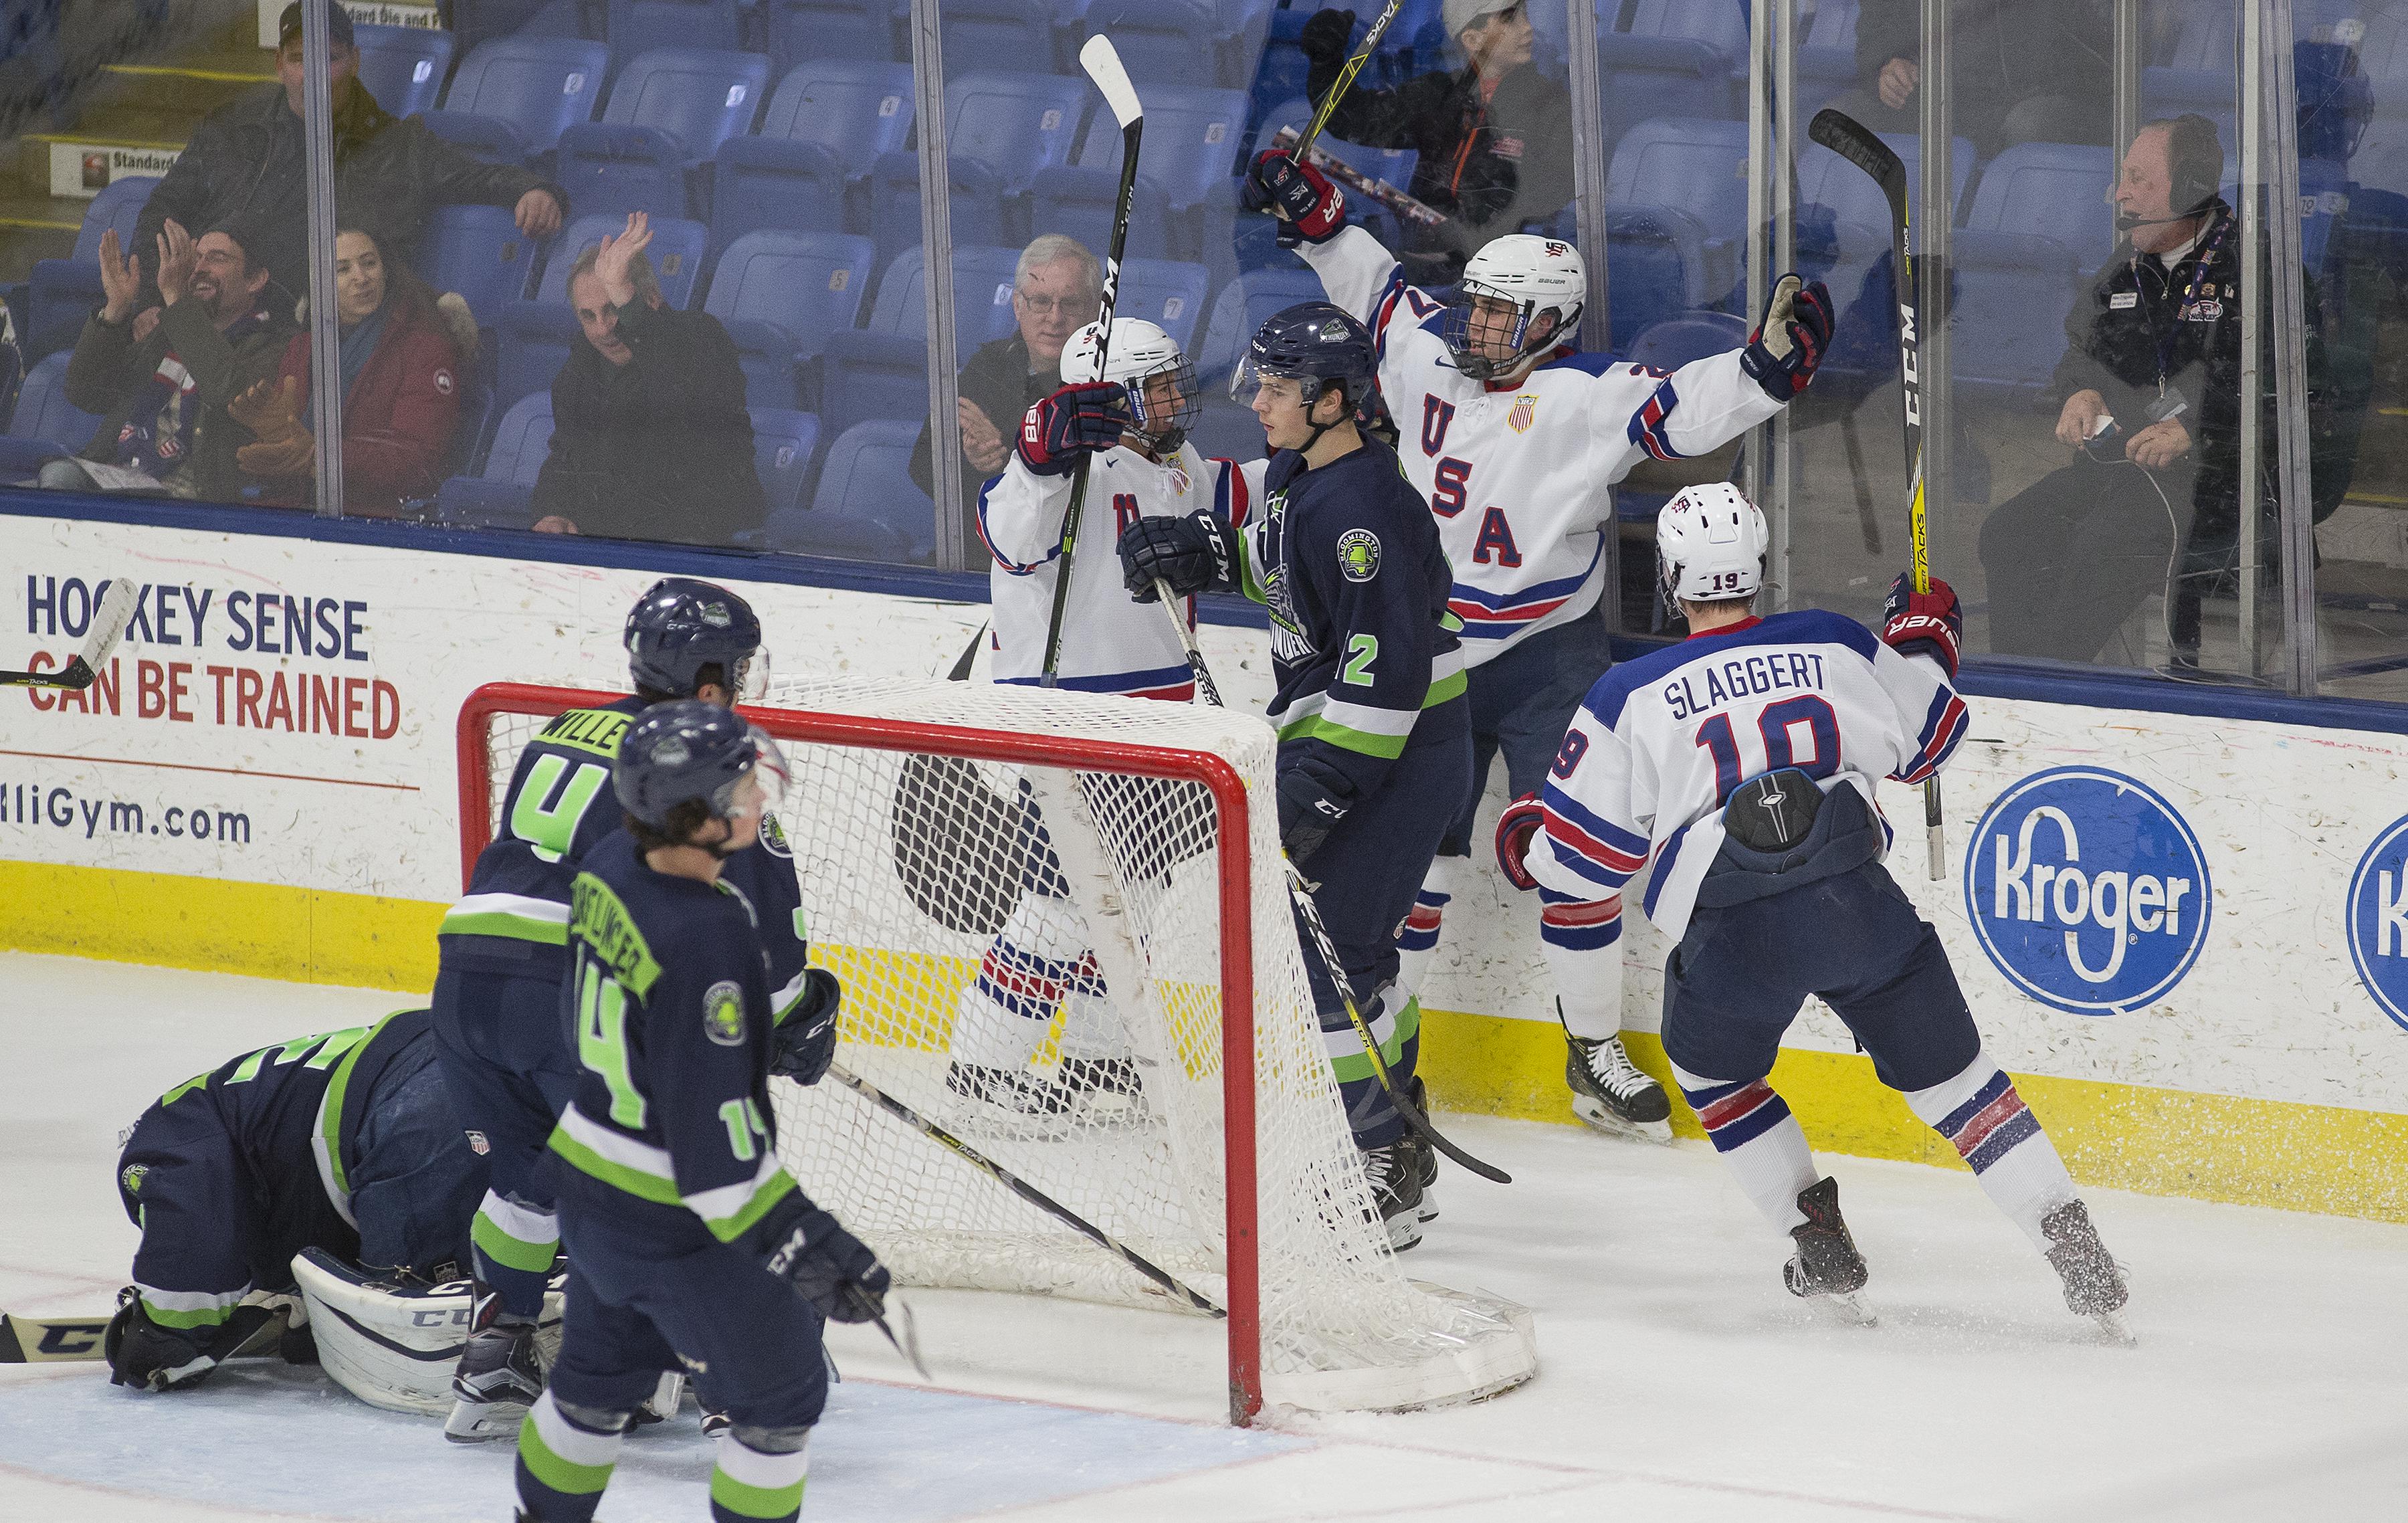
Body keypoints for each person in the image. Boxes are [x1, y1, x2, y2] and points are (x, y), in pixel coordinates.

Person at [1245, 149, 1834, 1142]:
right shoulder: (1424, 347)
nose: (1475, 325)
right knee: (1415, 868)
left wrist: (1768, 371)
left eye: (1500, 316)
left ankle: (1592, 1053)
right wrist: (1314, 219)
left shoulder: (1588, 396)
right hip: (1425, 655)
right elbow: (1369, 282)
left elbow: (1688, 400)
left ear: (1549, 324)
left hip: (1543, 656)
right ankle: (1393, 1055)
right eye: (1474, 306)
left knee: (1580, 858)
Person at [1494, 483, 2130, 1335]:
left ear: (1674, 577)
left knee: (1716, 1077)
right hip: (1857, 907)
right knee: (1959, 1085)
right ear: (1757, 564)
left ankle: (1816, 1236)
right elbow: (1932, 738)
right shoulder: (1833, 641)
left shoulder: (1629, 694)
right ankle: (2068, 1237)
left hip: (1735, 936)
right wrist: (1927, 637)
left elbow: (1582, 865)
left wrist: (1527, 839)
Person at [434, 577, 833, 1443]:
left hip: (465, 975)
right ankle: (734, 1379)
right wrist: (800, 1018)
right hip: (556, 996)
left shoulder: (562, 729)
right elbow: (764, 951)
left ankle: (493, 1359)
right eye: (738, 668)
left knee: (529, 1176)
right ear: (709, 678)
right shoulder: (711, 758)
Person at [1119, 303, 1470, 1249]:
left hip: (1396, 753)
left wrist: (1321, 790)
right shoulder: (1301, 473)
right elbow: (1287, 566)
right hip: (1351, 743)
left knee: (1330, 964)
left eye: (1277, 389)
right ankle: (1397, 1139)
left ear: (1332, 400)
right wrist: (1206, 550)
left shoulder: (1369, 510)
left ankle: (1378, 1162)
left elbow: (1387, 673)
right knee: (1350, 959)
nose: (1260, 404)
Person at [511, 702, 888, 1523]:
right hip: (672, 1219)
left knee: (592, 1389)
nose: (759, 797)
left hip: (588, 1188)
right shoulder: (708, 938)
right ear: (697, 812)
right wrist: (813, 1244)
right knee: (780, 1406)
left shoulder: (608, 863)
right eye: (743, 784)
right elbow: (715, 1162)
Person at [946, 317, 1253, 1122]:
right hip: (1066, 723)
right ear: (1110, 396)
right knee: (1059, 908)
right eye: (1153, 386)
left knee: (1134, 903)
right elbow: (1007, 534)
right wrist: (1041, 453)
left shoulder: (1174, 458)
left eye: (1171, 381)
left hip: (1156, 723)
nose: (1173, 398)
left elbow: (1241, 492)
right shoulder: (1063, 470)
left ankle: (1097, 1062)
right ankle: (982, 1071)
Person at [1977, 115, 2334, 668]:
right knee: (2010, 532)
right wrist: (2081, 392)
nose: (2121, 192)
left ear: (2191, 188)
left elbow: (2294, 392)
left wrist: (2195, 428)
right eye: (2123, 177)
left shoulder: (2262, 270)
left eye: (2139, 178)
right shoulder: (2127, 264)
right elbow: (2082, 350)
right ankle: (2025, 682)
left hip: (2215, 488)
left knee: (2100, 547)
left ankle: (2047, 687)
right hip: (2118, 472)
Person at [105, 1008, 486, 1392]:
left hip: (418, 1104)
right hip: (468, 1049)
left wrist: (163, 1333)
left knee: (407, 1325)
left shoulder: (168, 1132)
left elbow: (194, 1228)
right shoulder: (254, 1112)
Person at [131, 2, 564, 315]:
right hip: (209, 314)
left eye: (331, 58)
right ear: (280, 65)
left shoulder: (398, 144)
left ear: (355, 63)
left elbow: (482, 176)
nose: (315, 74)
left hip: (311, 338)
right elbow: (163, 214)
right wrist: (151, 303)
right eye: (300, 59)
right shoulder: (231, 129)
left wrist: (534, 189)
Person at [1291, 1, 1575, 284]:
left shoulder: (1552, 106)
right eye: (1511, 19)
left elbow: (1555, 196)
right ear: (1472, 40)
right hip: (1427, 268)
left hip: (1507, 277)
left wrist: (1473, 233)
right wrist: (1325, 63)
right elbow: (1355, 121)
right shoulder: (1438, 94)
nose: (1528, 28)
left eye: (1525, 16)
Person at [529, 213, 765, 546]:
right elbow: (566, 458)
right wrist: (555, 511)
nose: (603, 328)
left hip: (697, 541)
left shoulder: (701, 338)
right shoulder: (576, 375)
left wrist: (627, 298)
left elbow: (684, 393)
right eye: (588, 316)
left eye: (613, 309)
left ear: (651, 299)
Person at [230, 224, 476, 516]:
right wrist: (275, 437)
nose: (361, 278)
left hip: (375, 517)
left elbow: (418, 461)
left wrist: (318, 457)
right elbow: (287, 453)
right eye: (342, 270)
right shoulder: (302, 346)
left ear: (385, 270)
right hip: (302, 509)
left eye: (369, 263)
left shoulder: (425, 348)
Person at [44, 217, 292, 500]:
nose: (199, 268)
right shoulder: (170, 328)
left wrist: (176, 297)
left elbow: (227, 391)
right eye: (195, 258)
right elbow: (86, 394)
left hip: (191, 500)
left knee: (59, 481)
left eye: (217, 259)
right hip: (120, 476)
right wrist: (115, 310)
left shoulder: (276, 344)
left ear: (255, 280)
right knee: (52, 480)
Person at [911, 234, 1104, 545]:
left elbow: (1092, 500)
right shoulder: (987, 367)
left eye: (1070, 303)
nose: (1054, 318)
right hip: (983, 559)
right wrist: (976, 466)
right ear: (1017, 306)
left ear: (1095, 310)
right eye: (1041, 302)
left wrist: (1002, 463)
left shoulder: (1107, 385)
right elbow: (922, 465)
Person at [1832, 0, 2110, 157]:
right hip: (1928, 99)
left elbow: (2098, 53)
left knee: (2031, 122)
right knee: (1840, 118)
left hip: (2023, 99)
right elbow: (1872, 43)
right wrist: (1888, 68)